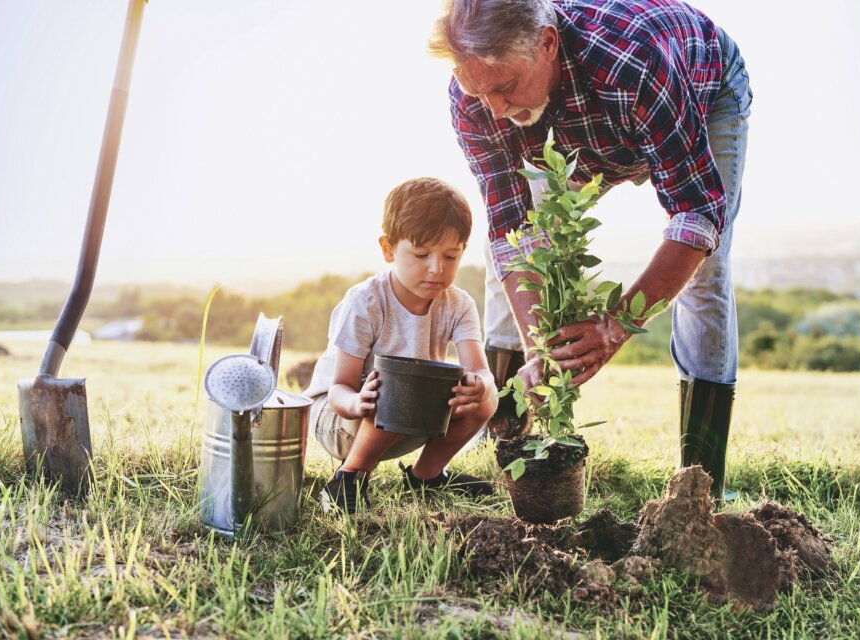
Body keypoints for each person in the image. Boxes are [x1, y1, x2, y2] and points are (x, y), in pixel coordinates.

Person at [429, 0, 752, 502]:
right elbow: (511, 228)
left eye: (505, 87)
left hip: (697, 94)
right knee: (518, 257)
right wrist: (539, 345)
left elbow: (697, 215)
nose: (493, 109)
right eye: (479, 92)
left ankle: (700, 484)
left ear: (547, 44)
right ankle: (509, 444)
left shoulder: (635, 63)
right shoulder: (476, 96)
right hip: (584, 130)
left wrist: (613, 327)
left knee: (706, 273)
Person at [305, 177, 499, 513]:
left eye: (450, 256)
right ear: (388, 249)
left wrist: (479, 386)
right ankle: (347, 481)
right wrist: (358, 402)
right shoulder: (366, 302)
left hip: (410, 416)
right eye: (421, 254)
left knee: (487, 395)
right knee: (401, 387)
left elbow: (481, 369)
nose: (436, 269)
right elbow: (338, 389)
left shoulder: (459, 304)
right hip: (342, 420)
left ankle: (426, 477)